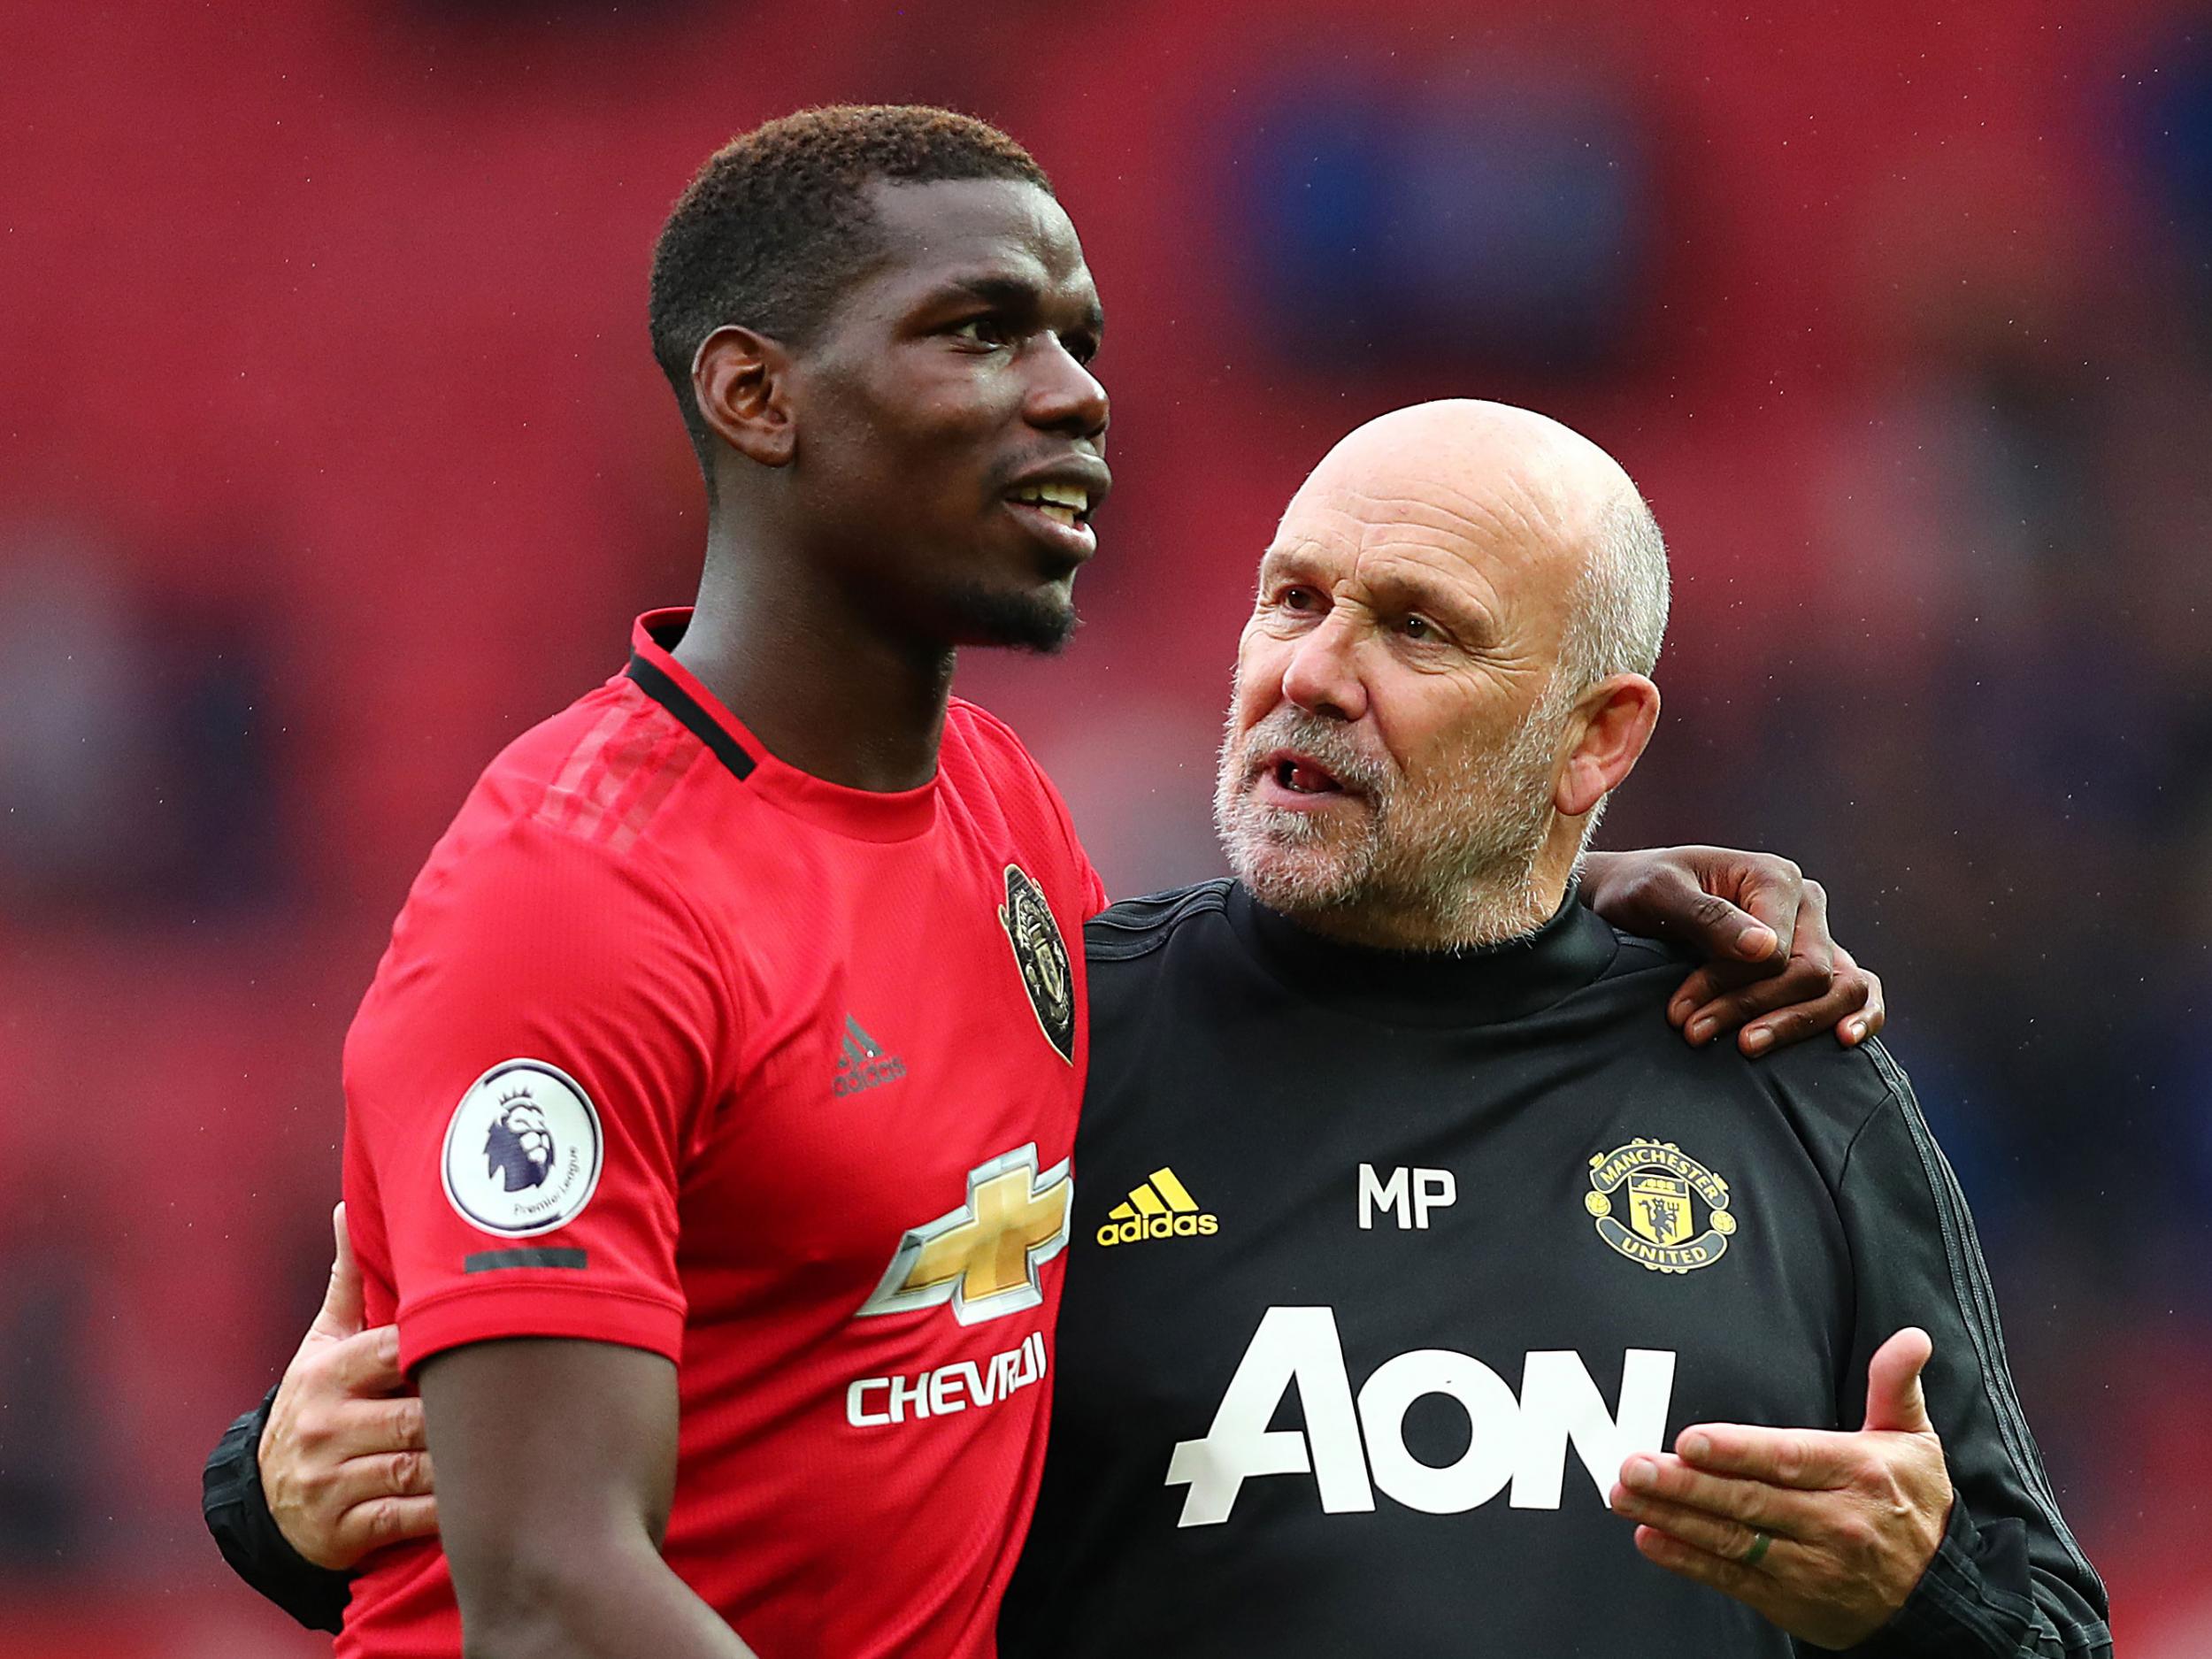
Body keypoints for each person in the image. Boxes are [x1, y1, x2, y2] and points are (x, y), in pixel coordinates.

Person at [200, 109, 1882, 1658]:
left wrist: (1544, 879)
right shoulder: (579, 899)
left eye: (1080, 340)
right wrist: (261, 1496)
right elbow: (557, 1599)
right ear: (754, 396)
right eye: (984, 332)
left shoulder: (998, 812)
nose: (1076, 393)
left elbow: (1196, 1017)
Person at [995, 402, 2108, 1655]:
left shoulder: (1783, 1081)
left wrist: (1921, 1601)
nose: (1308, 673)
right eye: (1294, 599)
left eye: (1419, 630)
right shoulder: (1057, 1048)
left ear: (1595, 739)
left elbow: (2058, 1631)